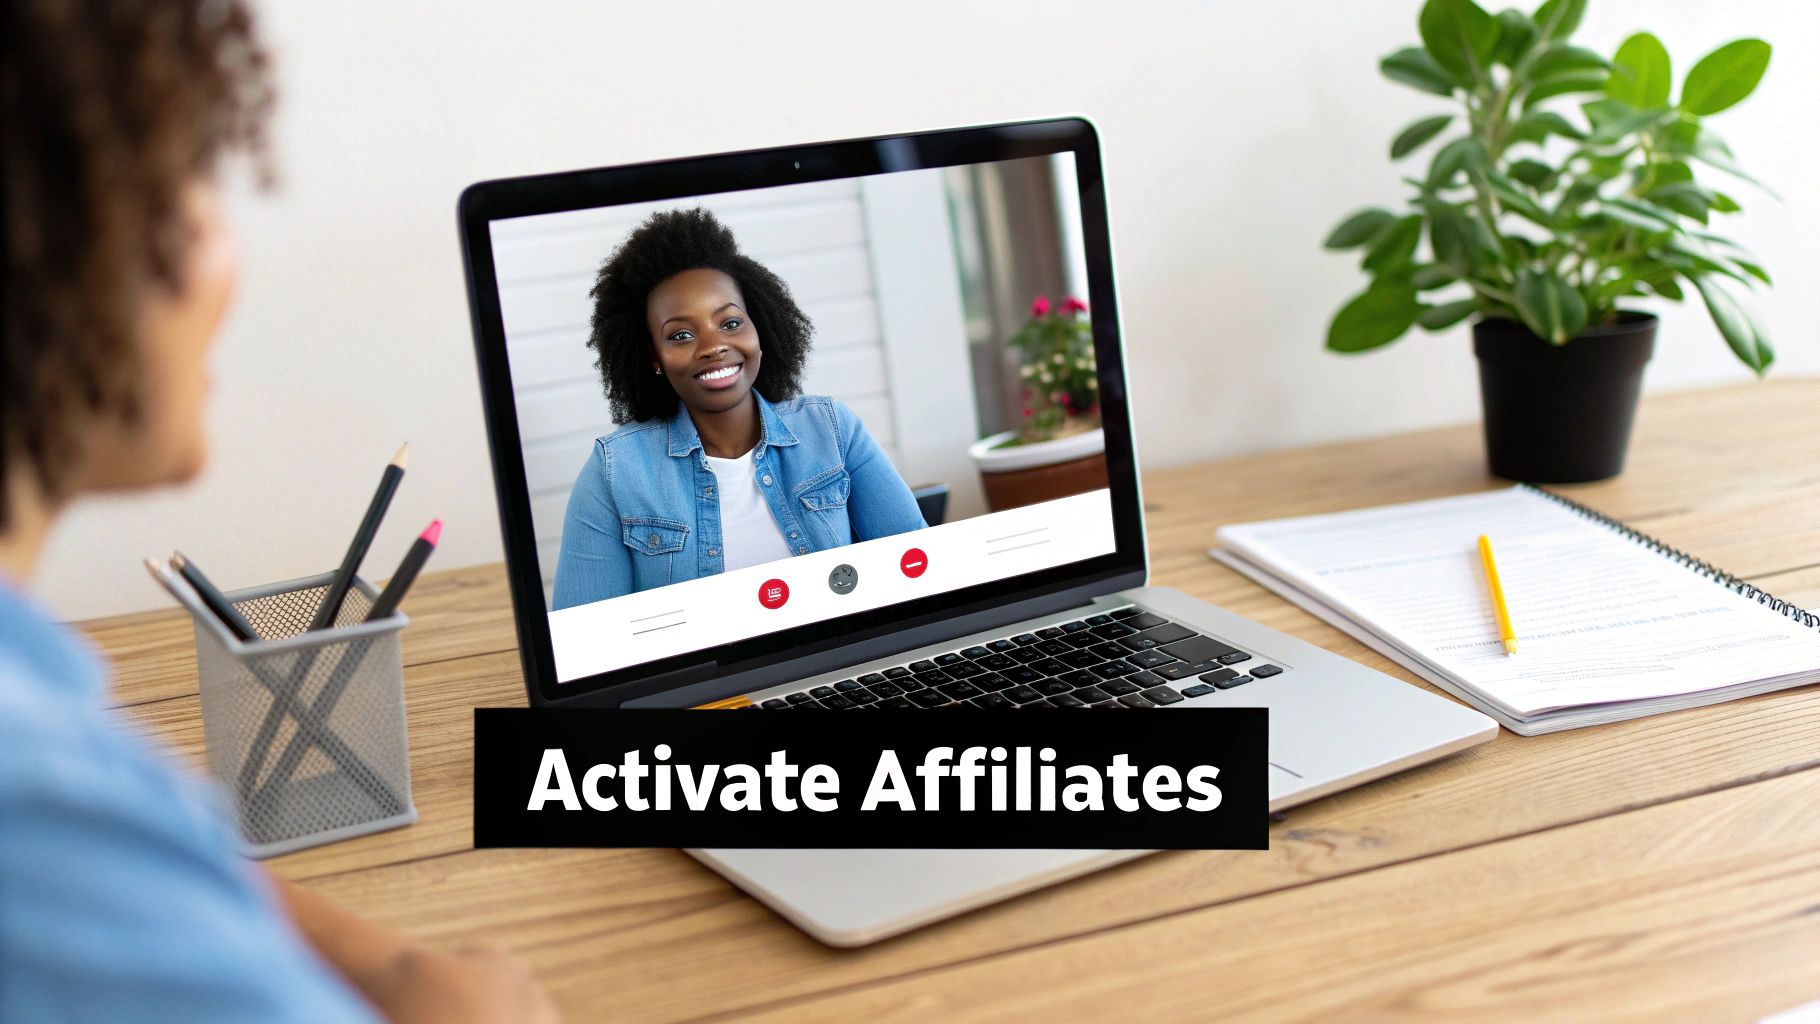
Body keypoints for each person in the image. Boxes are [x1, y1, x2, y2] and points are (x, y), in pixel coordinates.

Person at [0, 2, 558, 1021]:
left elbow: (139, 852)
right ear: (61, 235)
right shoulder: (34, 812)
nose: (228, 250)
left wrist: (386, 964)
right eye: (193, 180)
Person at [551, 208, 926, 608]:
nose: (713, 346)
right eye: (680, 334)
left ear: (759, 327)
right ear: (654, 357)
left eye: (729, 323)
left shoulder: (831, 430)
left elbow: (923, 571)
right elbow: (585, 637)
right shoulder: (616, 472)